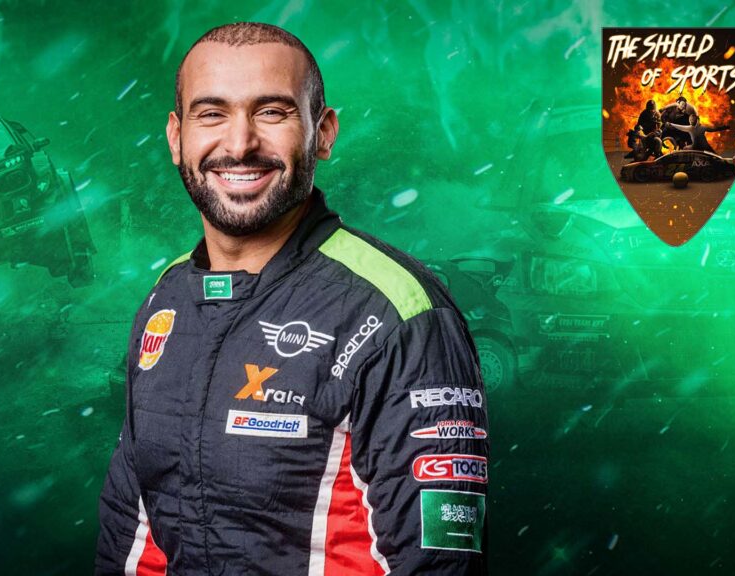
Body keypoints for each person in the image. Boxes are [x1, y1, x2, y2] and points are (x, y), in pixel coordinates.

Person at [95, 22, 489, 576]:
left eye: (272, 112)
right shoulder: (168, 299)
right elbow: (134, 533)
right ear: (176, 137)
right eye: (212, 114)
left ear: (323, 133)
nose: (239, 145)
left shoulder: (398, 313)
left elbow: (440, 565)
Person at [664, 114, 729, 153]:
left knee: (685, 148)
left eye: (692, 119)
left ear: (696, 120)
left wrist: (724, 127)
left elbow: (714, 129)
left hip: (701, 146)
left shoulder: (698, 128)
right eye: (690, 120)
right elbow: (680, 127)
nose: (690, 121)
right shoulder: (692, 128)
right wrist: (671, 124)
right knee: (685, 148)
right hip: (698, 146)